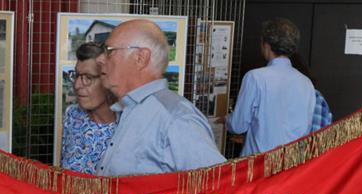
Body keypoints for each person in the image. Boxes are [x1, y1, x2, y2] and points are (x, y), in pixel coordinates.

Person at [94, 19, 225, 176]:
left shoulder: (176, 119)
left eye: (109, 51)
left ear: (140, 58)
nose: (100, 59)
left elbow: (217, 185)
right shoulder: (132, 110)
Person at [226, 18, 315, 155]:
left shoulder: (255, 78)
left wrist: (226, 119)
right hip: (292, 165)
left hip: (259, 166)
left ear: (266, 45)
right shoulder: (306, 83)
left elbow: (238, 126)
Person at [60, 42, 117, 174]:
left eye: (88, 77)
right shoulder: (72, 116)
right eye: (77, 76)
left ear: (108, 79)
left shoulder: (127, 125)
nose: (77, 85)